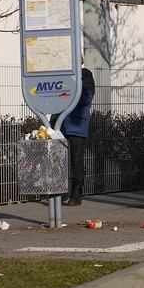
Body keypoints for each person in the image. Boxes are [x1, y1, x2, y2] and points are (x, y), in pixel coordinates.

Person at [59, 61, 96, 206]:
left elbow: (86, 98)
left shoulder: (85, 75)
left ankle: (77, 193)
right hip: (62, 123)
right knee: (59, 159)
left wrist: (68, 95)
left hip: (76, 124)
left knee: (76, 160)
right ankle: (63, 190)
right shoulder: (63, 75)